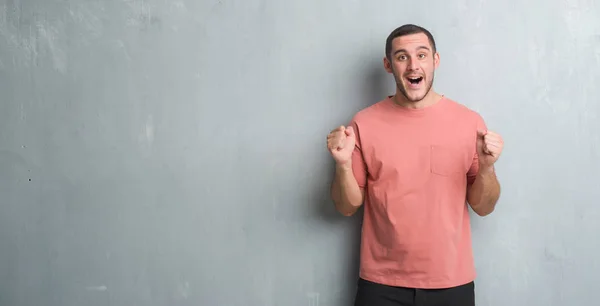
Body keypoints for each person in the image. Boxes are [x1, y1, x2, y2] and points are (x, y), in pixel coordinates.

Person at [326, 24, 504, 306]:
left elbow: (484, 206)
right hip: (380, 283)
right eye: (401, 57)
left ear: (435, 60)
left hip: (450, 282)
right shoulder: (364, 122)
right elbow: (346, 206)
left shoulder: (469, 122)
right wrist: (343, 165)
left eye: (421, 55)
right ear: (388, 65)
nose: (412, 65)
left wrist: (487, 168)